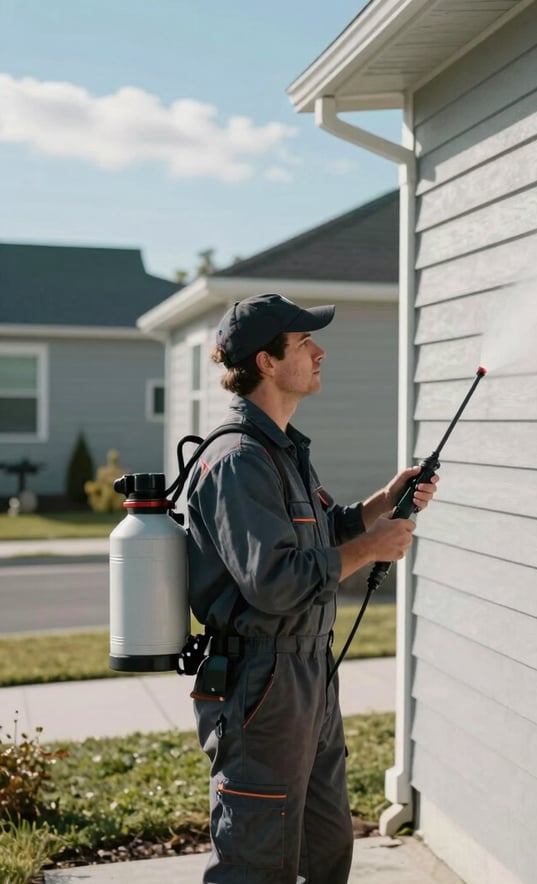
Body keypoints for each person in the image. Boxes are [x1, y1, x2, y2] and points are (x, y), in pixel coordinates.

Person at [186, 293, 438, 884]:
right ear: (268, 362)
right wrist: (370, 549)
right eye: (304, 343)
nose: (320, 352)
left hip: (308, 677)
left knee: (325, 850)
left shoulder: (284, 451)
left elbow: (322, 530)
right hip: (262, 683)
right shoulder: (238, 460)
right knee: (259, 860)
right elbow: (273, 582)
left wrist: (383, 501)